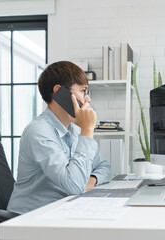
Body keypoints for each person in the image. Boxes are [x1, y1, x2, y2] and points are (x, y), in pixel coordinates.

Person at [7, 61, 111, 214]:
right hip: (30, 218)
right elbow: (74, 185)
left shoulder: (75, 130)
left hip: (61, 210)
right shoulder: (39, 131)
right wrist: (88, 129)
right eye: (83, 91)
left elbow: (104, 167)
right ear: (59, 92)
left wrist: (91, 179)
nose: (87, 99)